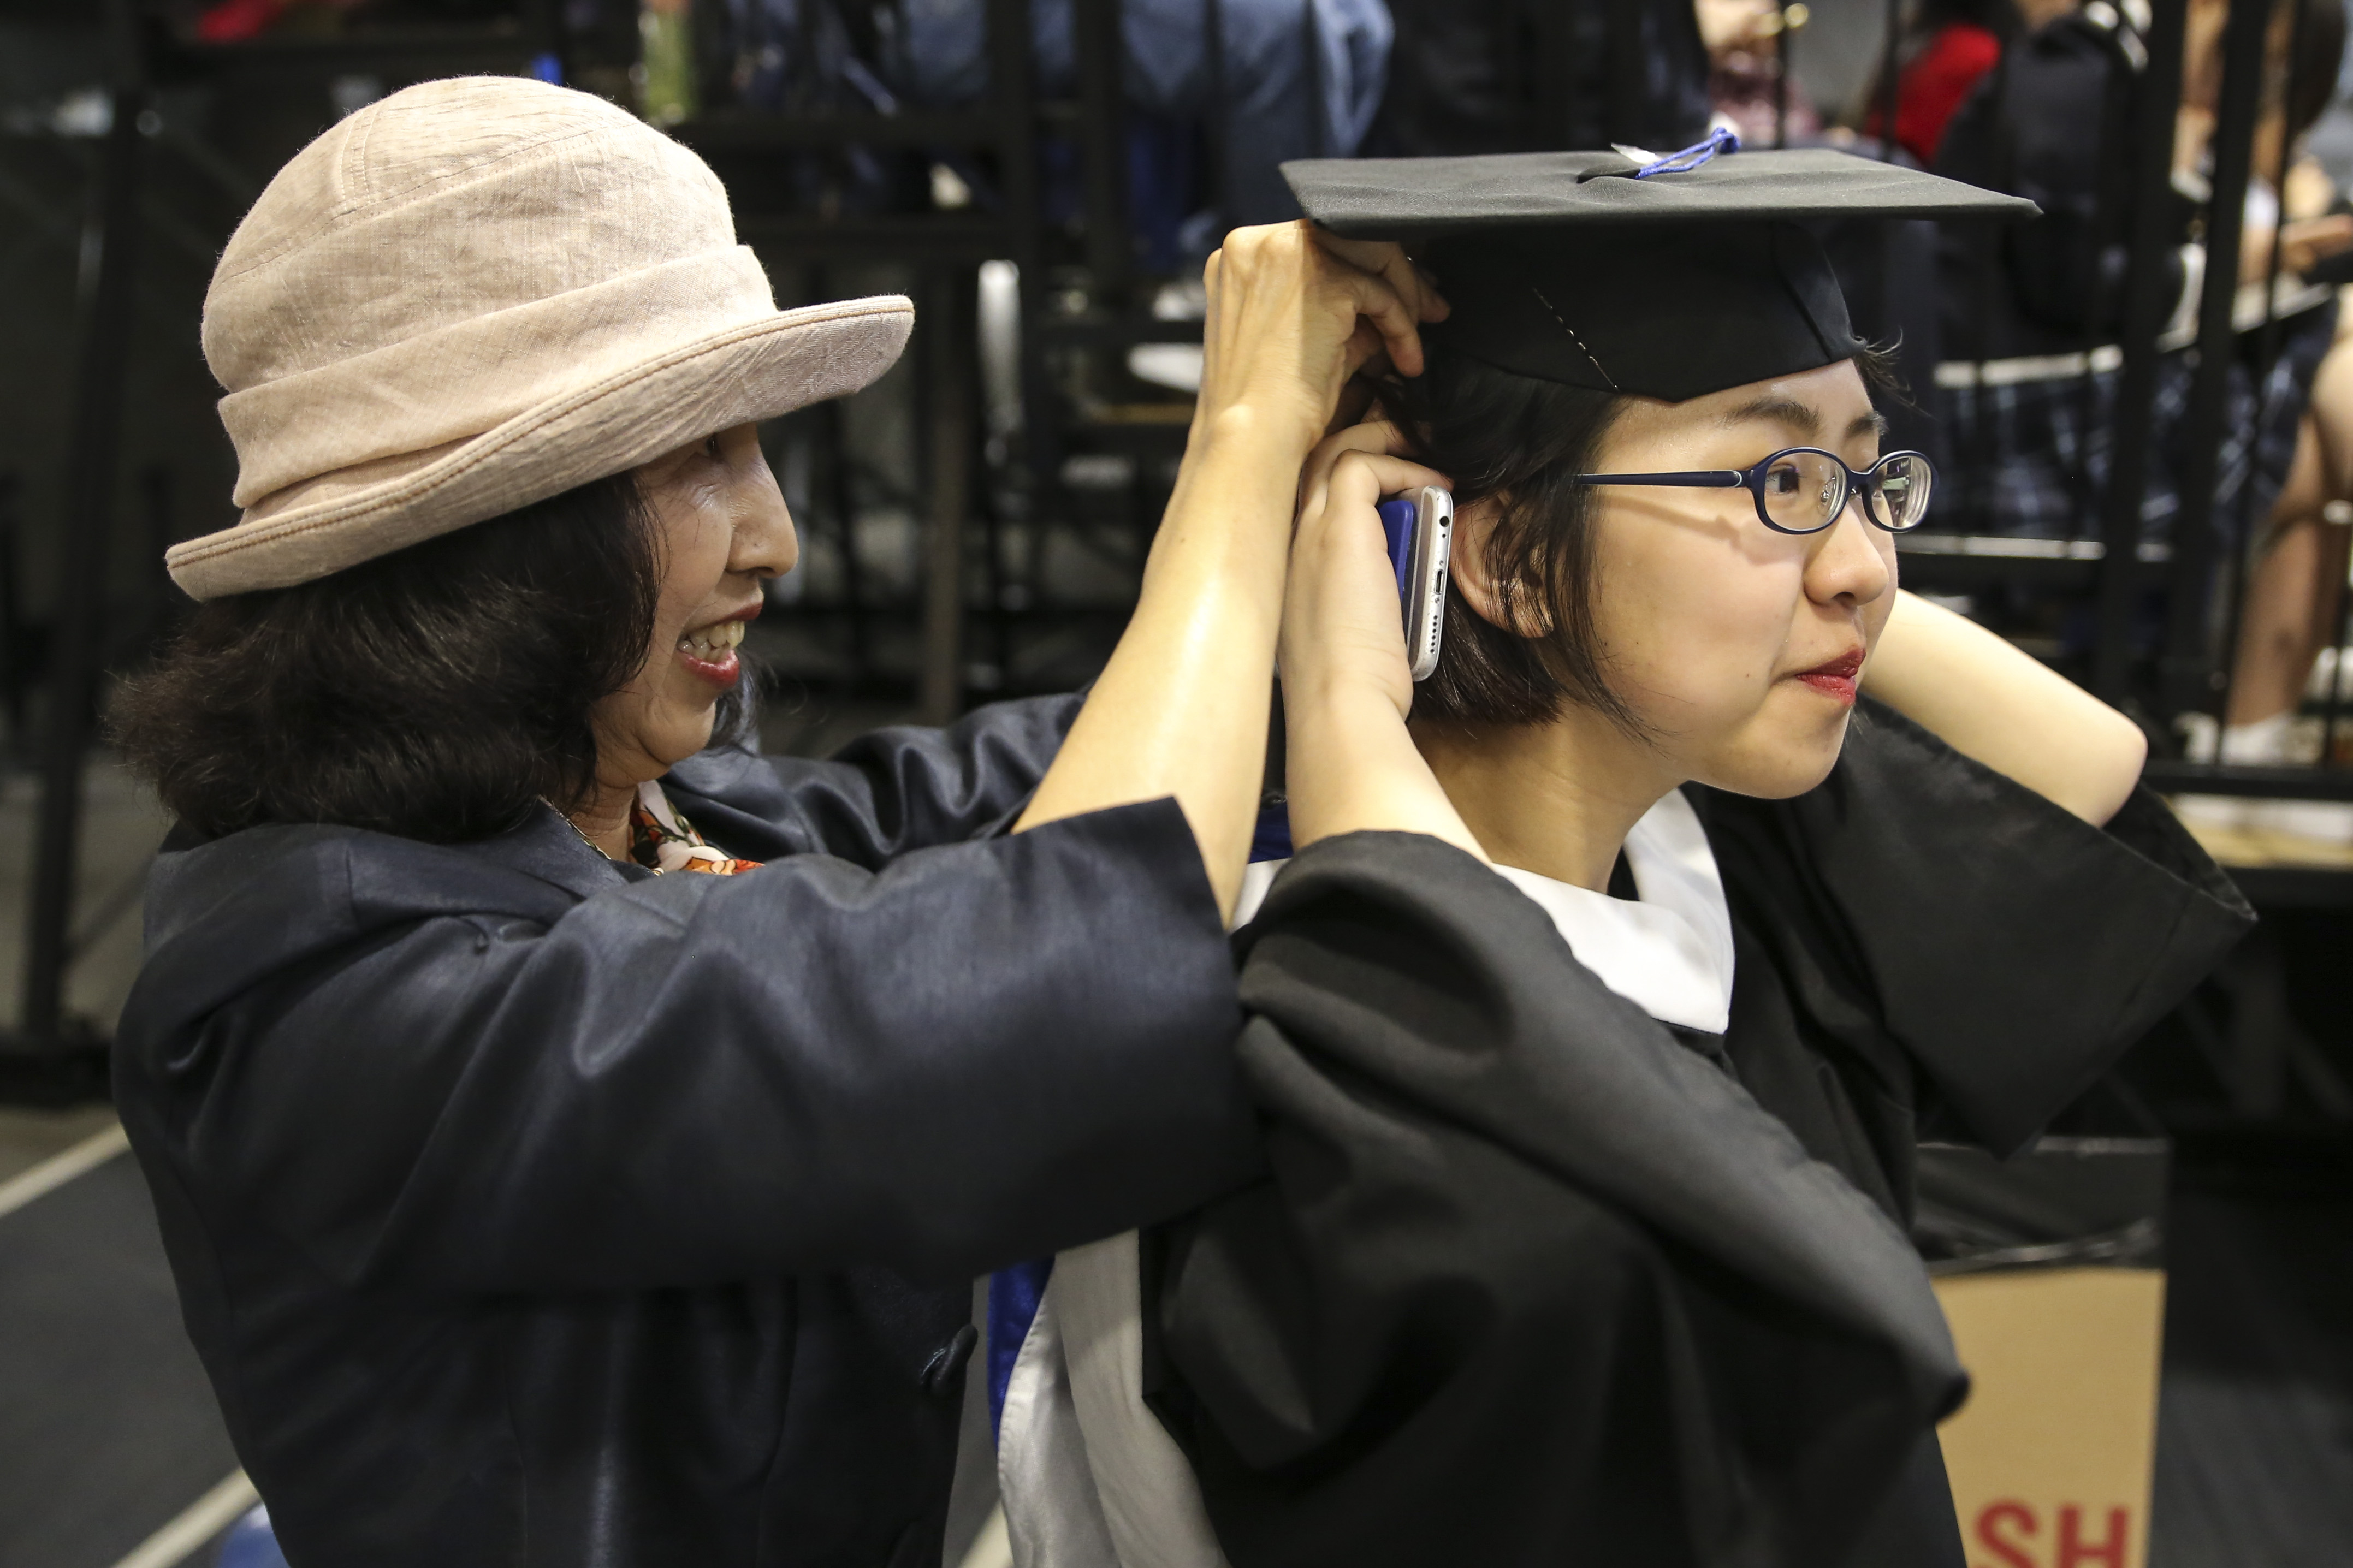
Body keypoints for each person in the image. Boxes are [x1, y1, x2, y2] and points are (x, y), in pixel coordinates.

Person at [106, 76, 1447, 1567]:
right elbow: (1028, 981)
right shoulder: (317, 1000)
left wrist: (1387, 621)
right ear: (498, 544)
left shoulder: (642, 814)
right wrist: (1241, 457)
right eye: (700, 461)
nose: (778, 540)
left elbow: (993, 798)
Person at [989, 144, 2253, 1568]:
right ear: (1509, 559)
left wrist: (1788, 550)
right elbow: (1490, 1139)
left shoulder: (1716, 857)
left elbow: (2085, 780)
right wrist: (1345, 690)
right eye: (1775, 474)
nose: (1868, 568)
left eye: (1865, 472)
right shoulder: (1280, 1059)